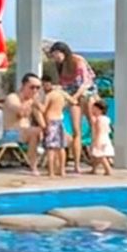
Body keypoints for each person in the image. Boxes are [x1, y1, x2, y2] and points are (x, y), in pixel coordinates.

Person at [47, 42, 98, 174]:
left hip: (86, 93)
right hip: (72, 94)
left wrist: (74, 97)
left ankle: (95, 160)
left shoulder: (77, 61)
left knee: (93, 126)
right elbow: (64, 84)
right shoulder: (60, 65)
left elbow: (84, 84)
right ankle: (76, 164)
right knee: (76, 130)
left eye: (57, 54)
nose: (56, 58)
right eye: (54, 56)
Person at [0, 74, 46, 172]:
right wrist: (31, 102)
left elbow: (41, 119)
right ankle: (33, 165)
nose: (35, 91)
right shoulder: (12, 98)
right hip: (10, 133)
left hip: (26, 133)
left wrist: (47, 129)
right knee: (34, 132)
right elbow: (21, 112)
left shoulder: (31, 101)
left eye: (38, 88)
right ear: (23, 86)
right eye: (32, 87)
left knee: (50, 132)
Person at [39, 75, 69, 177]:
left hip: (51, 121)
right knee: (61, 148)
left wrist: (35, 103)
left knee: (51, 148)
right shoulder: (61, 94)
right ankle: (62, 171)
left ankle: (51, 172)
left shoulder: (49, 96)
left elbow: (43, 109)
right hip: (60, 121)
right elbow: (73, 101)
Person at [88, 99, 115, 175]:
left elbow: (99, 131)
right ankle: (94, 169)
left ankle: (108, 169)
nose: (93, 111)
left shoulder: (99, 119)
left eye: (94, 109)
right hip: (105, 138)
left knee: (101, 156)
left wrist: (97, 141)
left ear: (99, 110)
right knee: (96, 156)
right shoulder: (106, 119)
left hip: (100, 138)